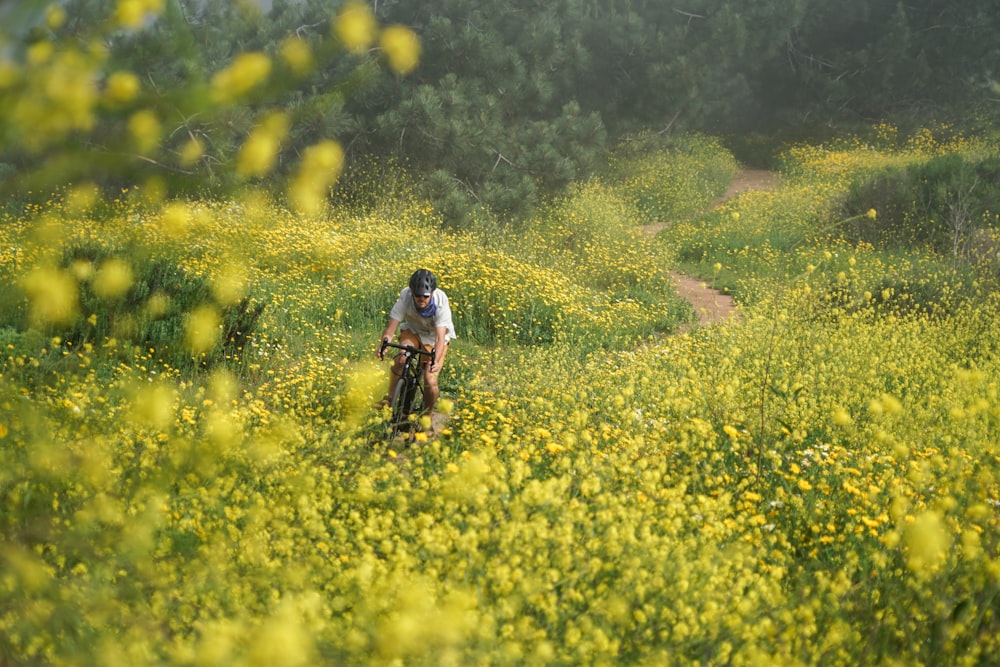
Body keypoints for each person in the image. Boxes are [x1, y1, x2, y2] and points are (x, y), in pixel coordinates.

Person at [376, 268, 456, 412]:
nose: (421, 299)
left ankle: (428, 416)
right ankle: (389, 399)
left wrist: (435, 361)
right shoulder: (405, 297)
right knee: (401, 358)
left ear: (432, 293)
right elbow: (391, 328)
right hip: (413, 331)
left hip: (434, 338)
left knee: (430, 378)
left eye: (425, 296)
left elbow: (440, 337)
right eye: (418, 295)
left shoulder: (440, 302)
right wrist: (383, 345)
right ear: (412, 292)